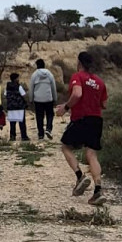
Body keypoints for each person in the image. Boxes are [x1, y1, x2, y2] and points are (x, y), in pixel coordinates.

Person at [56, 51, 107, 204]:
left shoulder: (77, 76)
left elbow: (77, 94)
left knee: (66, 147)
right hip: (96, 119)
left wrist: (65, 107)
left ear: (79, 63)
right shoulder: (100, 82)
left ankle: (80, 176)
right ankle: (98, 191)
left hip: (81, 118)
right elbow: (103, 104)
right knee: (92, 154)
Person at [29, 59, 58, 140]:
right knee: (50, 114)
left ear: (37, 65)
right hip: (48, 99)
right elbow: (53, 87)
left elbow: (31, 88)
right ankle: (48, 129)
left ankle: (41, 134)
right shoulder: (49, 74)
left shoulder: (34, 75)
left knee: (39, 116)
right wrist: (55, 98)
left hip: (38, 100)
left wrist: (31, 99)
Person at [5, 72, 30, 141]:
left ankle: (12, 137)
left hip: (11, 107)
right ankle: (24, 136)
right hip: (19, 107)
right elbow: (23, 95)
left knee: (12, 123)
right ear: (15, 79)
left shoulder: (8, 86)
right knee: (22, 123)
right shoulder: (19, 86)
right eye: (18, 78)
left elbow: (5, 95)